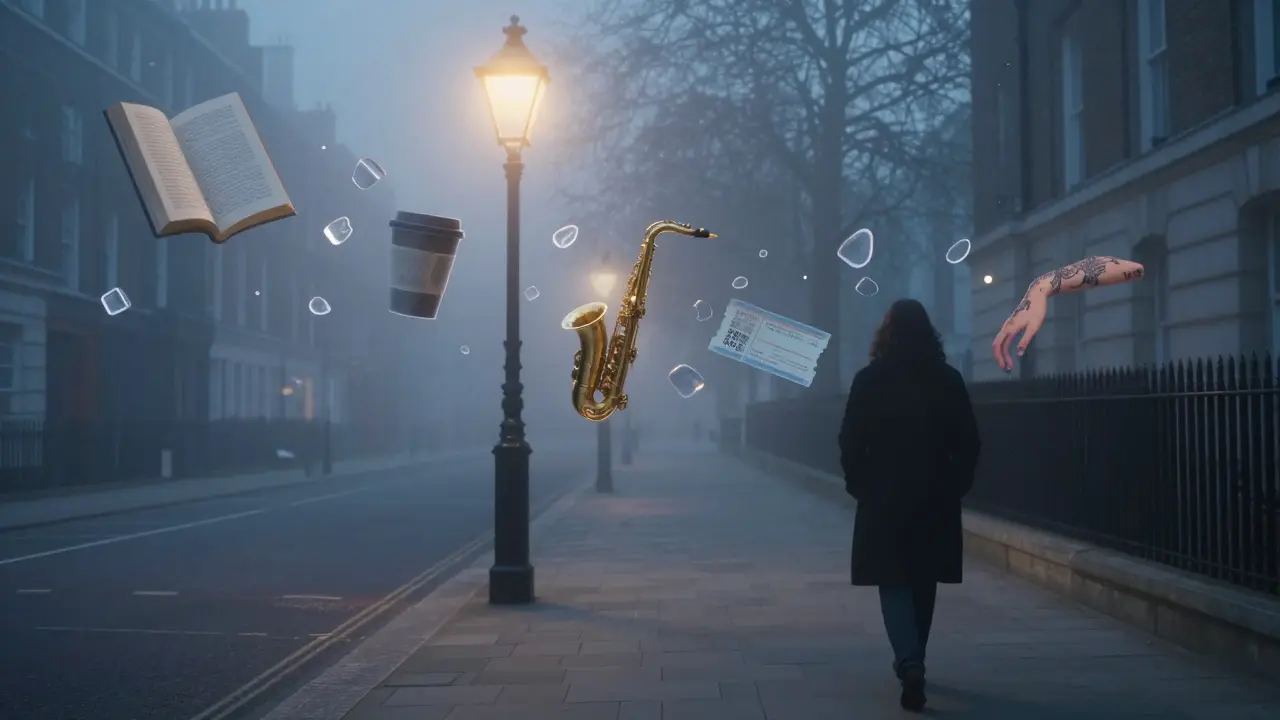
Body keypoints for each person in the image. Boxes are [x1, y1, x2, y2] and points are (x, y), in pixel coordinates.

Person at [839, 299, 981, 712]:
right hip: (935, 493)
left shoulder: (870, 380)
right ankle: (915, 653)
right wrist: (957, 484)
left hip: (884, 494)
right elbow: (968, 441)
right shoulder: (948, 380)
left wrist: (858, 482)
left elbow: (850, 439)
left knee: (893, 579)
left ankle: (909, 659)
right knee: (924, 578)